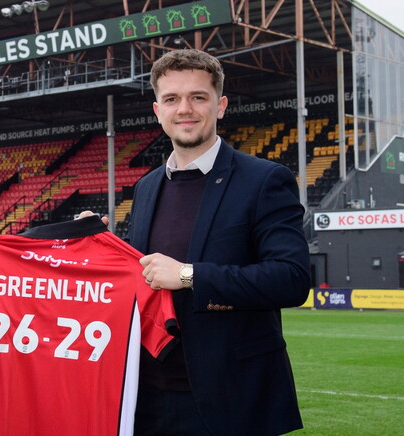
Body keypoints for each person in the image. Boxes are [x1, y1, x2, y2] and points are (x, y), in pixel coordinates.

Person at [127, 49, 311, 435]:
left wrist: (190, 275)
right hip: (145, 398)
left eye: (198, 97)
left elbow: (291, 279)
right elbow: (140, 275)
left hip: (231, 398)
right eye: (172, 99)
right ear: (157, 110)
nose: (185, 109)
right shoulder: (145, 188)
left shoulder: (264, 180)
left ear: (221, 105)